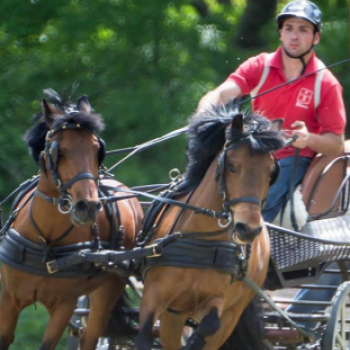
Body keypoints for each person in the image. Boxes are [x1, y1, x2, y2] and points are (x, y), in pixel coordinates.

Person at [197, 0, 346, 331]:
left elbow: (336, 142)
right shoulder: (261, 66)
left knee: (252, 207)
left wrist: (310, 139)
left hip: (292, 162)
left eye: (303, 30)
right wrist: (206, 109)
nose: (294, 36)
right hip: (250, 156)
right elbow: (224, 92)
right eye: (289, 28)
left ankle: (238, 269)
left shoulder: (326, 83)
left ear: (315, 38)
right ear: (280, 32)